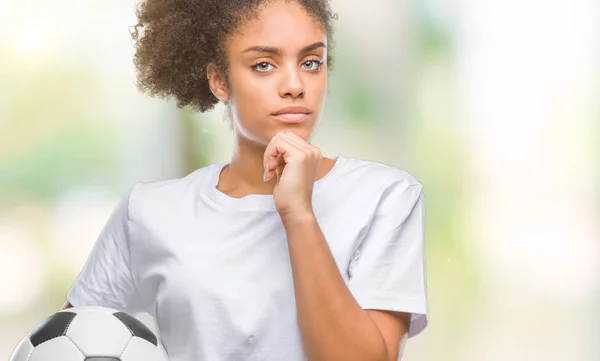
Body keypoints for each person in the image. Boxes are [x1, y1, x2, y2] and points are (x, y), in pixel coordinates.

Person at [60, 1, 429, 360]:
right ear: (219, 81)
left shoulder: (385, 197)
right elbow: (67, 344)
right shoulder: (149, 211)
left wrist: (298, 213)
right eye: (264, 64)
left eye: (311, 62)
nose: (295, 85)